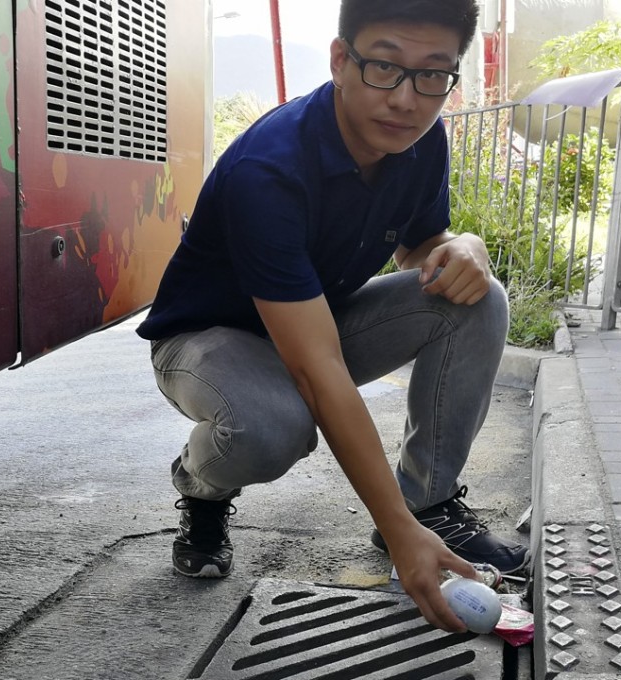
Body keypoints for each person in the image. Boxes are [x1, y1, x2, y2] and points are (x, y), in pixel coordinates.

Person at [136, 0, 530, 632]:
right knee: (274, 428)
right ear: (341, 60)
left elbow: (422, 248)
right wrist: (400, 541)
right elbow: (318, 372)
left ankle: (424, 503)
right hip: (207, 340)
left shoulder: (421, 142)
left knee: (477, 297)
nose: (406, 98)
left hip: (321, 317)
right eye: (385, 67)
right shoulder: (268, 170)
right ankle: (200, 486)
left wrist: (463, 250)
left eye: (433, 73)